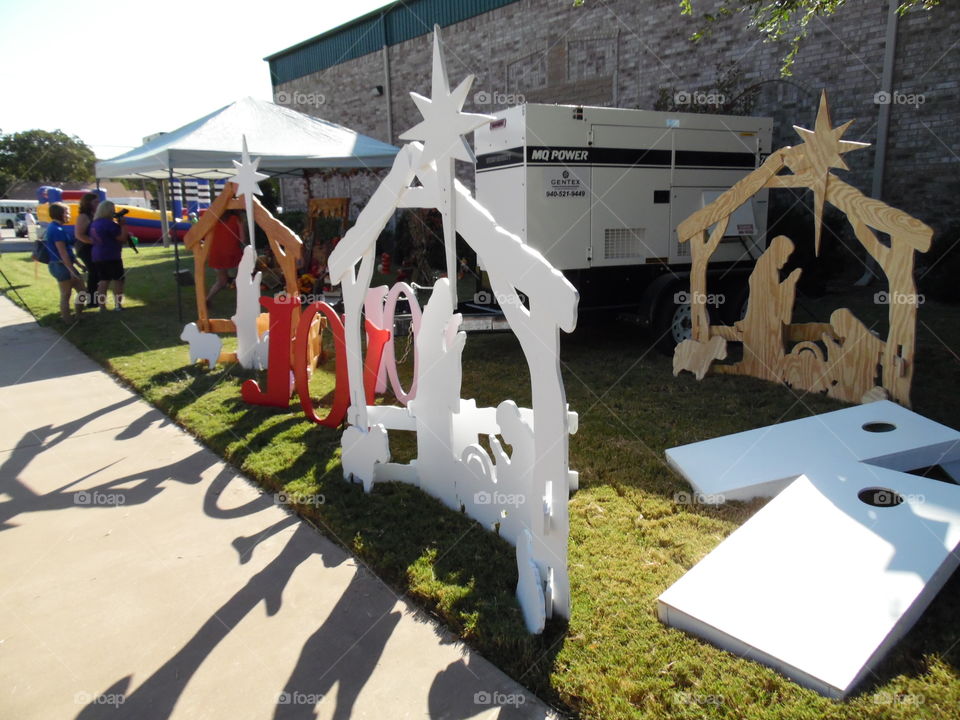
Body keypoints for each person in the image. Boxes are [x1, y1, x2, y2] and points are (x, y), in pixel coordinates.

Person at [44, 202, 86, 322]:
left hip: (63, 265)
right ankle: (67, 319)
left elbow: (68, 251)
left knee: (82, 291)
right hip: (61, 266)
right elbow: (63, 253)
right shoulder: (56, 230)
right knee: (66, 293)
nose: (69, 215)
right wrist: (71, 270)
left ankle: (77, 315)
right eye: (67, 213)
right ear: (60, 214)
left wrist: (78, 264)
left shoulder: (56, 227)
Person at [89, 200, 129, 311]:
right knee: (118, 280)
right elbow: (122, 238)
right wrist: (123, 226)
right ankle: (118, 305)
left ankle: (102, 307)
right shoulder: (109, 224)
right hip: (111, 255)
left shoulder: (94, 223)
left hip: (97, 255)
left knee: (103, 280)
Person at [206, 209, 246, 306]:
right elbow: (242, 239)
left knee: (221, 281)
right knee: (243, 278)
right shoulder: (237, 219)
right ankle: (243, 302)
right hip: (232, 253)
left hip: (217, 253)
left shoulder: (214, 219)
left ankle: (208, 299)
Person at [74, 192, 101, 308]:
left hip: (94, 247)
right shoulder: (84, 217)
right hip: (85, 248)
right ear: (88, 203)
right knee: (94, 272)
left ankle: (95, 299)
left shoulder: (95, 215)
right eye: (95, 202)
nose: (98, 204)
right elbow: (79, 235)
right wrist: (94, 242)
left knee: (98, 272)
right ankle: (92, 301)